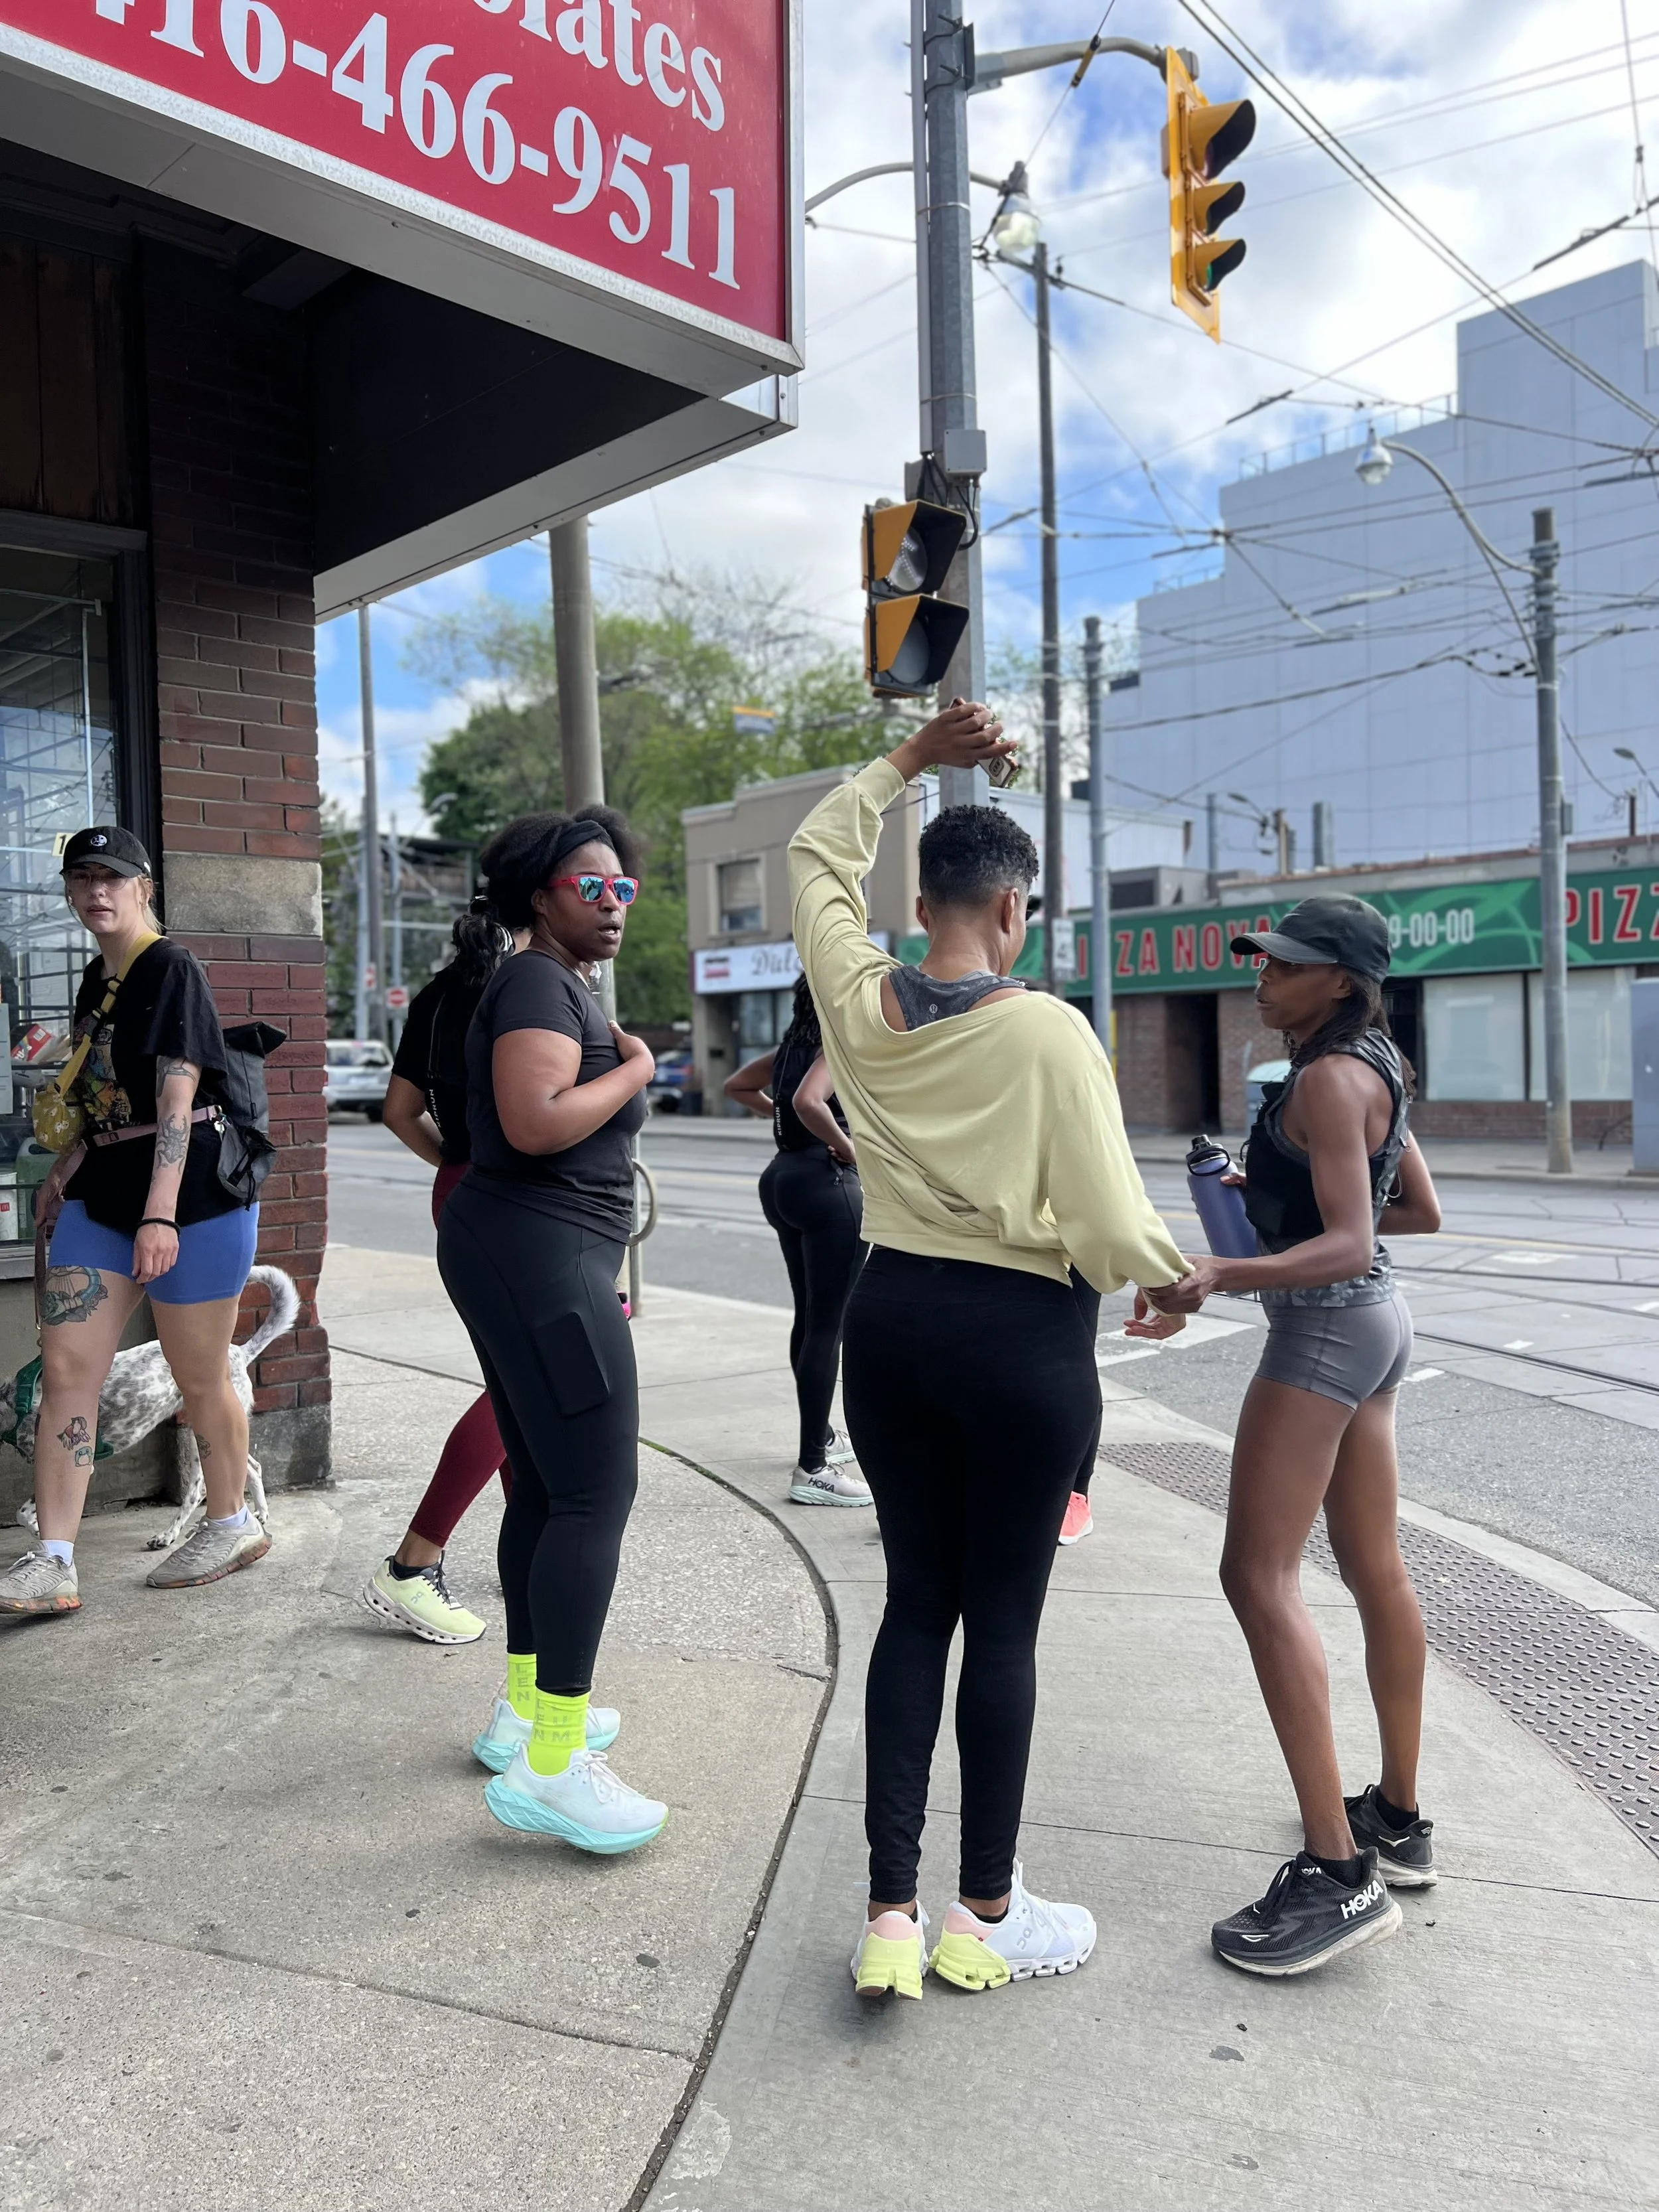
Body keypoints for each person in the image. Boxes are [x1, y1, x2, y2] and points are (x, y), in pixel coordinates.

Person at [787, 703, 1193, 2001]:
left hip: (890, 1320)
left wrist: (904, 759)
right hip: (1019, 1342)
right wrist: (1169, 1281)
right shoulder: (1047, 1032)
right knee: (1001, 1626)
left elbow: (810, 856)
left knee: (913, 1606)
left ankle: (889, 1920)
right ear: (1012, 912)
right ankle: (985, 1916)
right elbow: (1109, 1213)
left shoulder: (857, 1002)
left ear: (921, 899)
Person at [1157, 897, 1443, 1977]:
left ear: (1339, 979)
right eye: (1260, 962)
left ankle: (1337, 1873)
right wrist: (1280, 1202)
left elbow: (1348, 1239)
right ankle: (1399, 1820)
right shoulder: (1381, 1066)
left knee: (1256, 1575)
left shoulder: (1325, 1078)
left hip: (1326, 1331)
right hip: (1382, 1324)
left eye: (1284, 966)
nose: (1262, 978)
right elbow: (1408, 1213)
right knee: (1376, 1569)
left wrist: (1234, 1264)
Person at [436, 808, 664, 1856]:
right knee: (591, 1492)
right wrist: (635, 1072)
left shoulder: (548, 982)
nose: (614, 904)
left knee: (543, 1480)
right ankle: (556, 1763)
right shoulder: (536, 981)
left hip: (526, 1252)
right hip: (546, 1258)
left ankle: (527, 1713)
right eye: (593, 887)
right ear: (542, 896)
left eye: (623, 889)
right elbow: (532, 1121)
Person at [0, 828, 264, 1616]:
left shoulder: (170, 968)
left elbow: (176, 1102)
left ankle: (232, 1523)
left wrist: (161, 1215)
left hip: (193, 1199)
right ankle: (53, 1559)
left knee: (199, 1375)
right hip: (105, 1190)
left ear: (145, 887)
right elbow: (104, 1101)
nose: (96, 893)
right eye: (81, 879)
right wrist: (65, 1171)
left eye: (112, 878)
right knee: (66, 1368)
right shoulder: (97, 979)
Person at [358, 905, 529, 1647]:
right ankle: (412, 1563)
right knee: (526, 1382)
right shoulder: (531, 990)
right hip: (520, 1200)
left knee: (515, 1377)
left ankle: (527, 1546)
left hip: (464, 1188)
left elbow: (399, 1110)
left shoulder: (437, 994)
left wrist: (453, 1169)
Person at [724, 974, 872, 1507]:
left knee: (810, 1320)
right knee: (828, 1326)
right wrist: (845, 1143)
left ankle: (821, 1437)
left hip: (783, 1178)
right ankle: (814, 1465)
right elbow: (813, 1100)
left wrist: (788, 1118)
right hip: (829, 1187)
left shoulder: (790, 1048)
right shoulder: (837, 1043)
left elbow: (736, 1087)